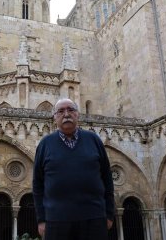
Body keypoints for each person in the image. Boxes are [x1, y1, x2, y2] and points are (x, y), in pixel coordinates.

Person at [32, 98, 114, 240]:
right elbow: (37, 184)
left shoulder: (93, 140)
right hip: (56, 221)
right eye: (61, 111)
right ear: (55, 117)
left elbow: (107, 178)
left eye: (71, 110)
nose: (66, 114)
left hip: (94, 219)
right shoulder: (45, 144)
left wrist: (109, 214)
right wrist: (41, 219)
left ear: (78, 114)